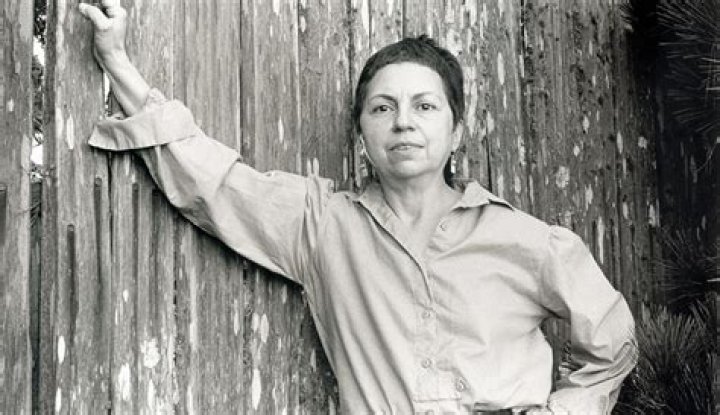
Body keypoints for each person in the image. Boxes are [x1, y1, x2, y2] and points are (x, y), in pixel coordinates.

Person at [79, 1, 637, 413]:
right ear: (362, 134)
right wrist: (117, 60)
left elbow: (613, 344)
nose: (403, 122)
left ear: (457, 131)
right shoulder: (322, 225)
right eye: (382, 108)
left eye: (425, 106)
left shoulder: (530, 242)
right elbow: (215, 182)